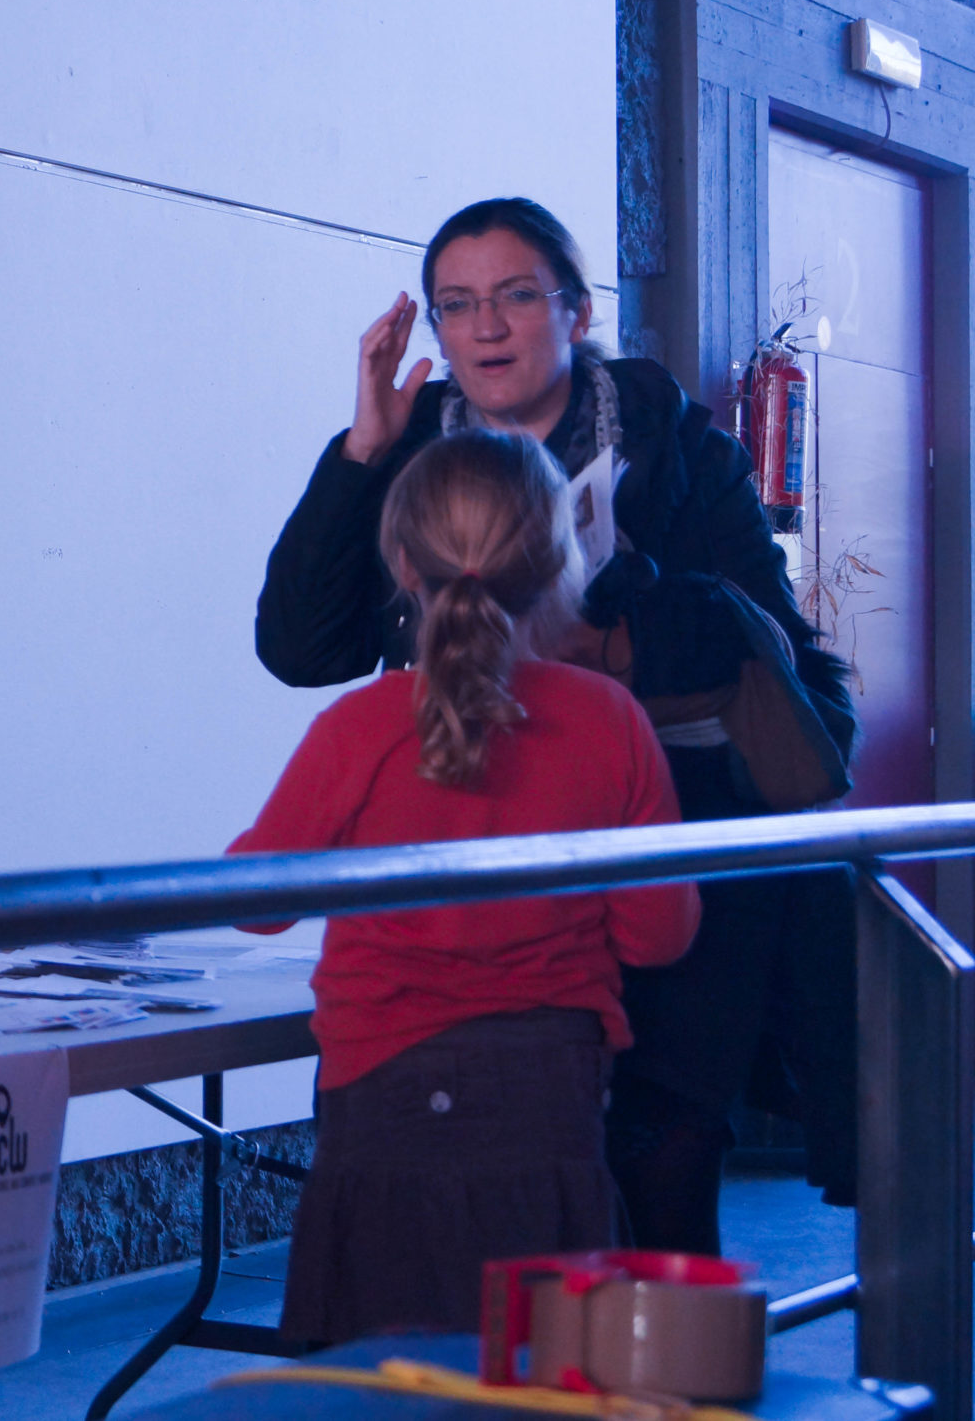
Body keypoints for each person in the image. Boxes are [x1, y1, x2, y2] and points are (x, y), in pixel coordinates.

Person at [254, 197, 857, 1255]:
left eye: (516, 296)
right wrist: (360, 452)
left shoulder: (676, 447)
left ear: (575, 312)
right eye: (456, 304)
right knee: (446, 1204)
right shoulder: (407, 452)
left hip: (660, 845)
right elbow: (301, 649)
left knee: (655, 1175)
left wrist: (603, 629)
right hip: (467, 865)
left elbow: (766, 652)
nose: (486, 326)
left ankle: (647, 1349)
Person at [232, 429, 700, 1341]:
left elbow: (257, 905)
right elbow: (660, 937)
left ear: (403, 563)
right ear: (558, 562)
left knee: (379, 1368)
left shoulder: (360, 727)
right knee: (541, 1361)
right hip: (552, 1092)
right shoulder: (609, 720)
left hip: (380, 1091)